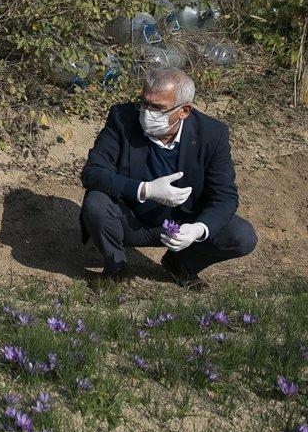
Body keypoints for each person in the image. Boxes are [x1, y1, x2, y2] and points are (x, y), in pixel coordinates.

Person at [80, 67, 257, 290]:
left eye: (158, 108)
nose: (147, 112)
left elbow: (225, 196)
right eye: (144, 102)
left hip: (181, 224)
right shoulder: (122, 118)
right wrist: (144, 189)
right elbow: (93, 172)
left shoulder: (212, 134)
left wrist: (198, 229)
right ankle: (116, 268)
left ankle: (182, 263)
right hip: (130, 220)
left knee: (242, 235)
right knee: (96, 203)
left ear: (184, 110)